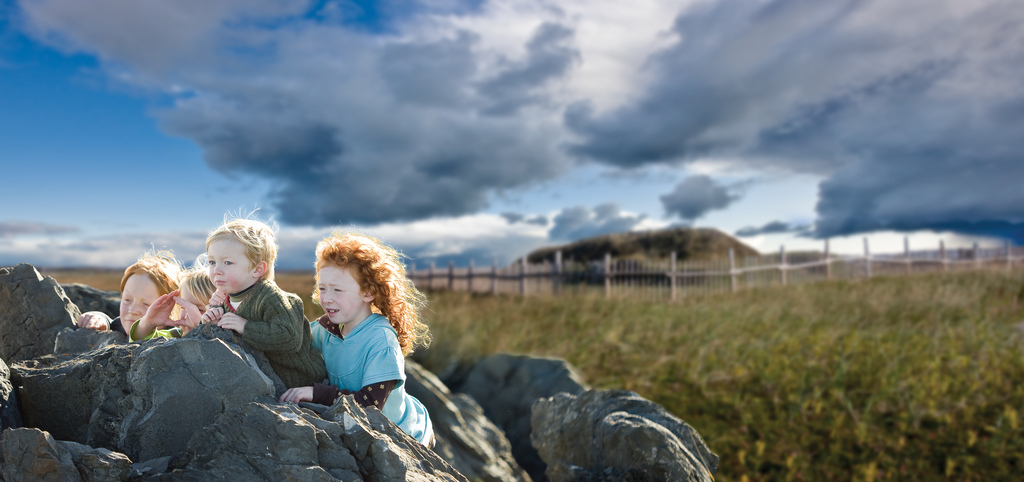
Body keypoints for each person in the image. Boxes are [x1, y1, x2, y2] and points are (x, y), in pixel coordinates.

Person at [279, 231, 434, 446]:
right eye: (322, 288)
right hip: (345, 418)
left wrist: (316, 393)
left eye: (337, 290)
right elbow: (292, 342)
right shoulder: (328, 327)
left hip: (400, 429)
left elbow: (370, 404)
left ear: (368, 292)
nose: (327, 298)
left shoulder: (381, 340)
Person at [199, 217, 327, 389]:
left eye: (227, 262)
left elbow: (290, 338)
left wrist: (246, 327)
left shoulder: (271, 297)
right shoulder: (225, 299)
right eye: (212, 262)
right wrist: (210, 323)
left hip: (295, 381)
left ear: (257, 269)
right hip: (257, 378)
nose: (216, 271)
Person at [77, 252, 183, 336]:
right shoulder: (121, 326)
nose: (133, 311)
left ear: (172, 307)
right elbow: (112, 324)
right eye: (127, 300)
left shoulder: (175, 336)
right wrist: (100, 319)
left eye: (146, 304)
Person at [127, 266, 216, 341]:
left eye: (199, 309)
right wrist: (148, 322)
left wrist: (200, 327)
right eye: (183, 307)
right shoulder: (174, 335)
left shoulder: (225, 337)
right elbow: (141, 341)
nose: (188, 314)